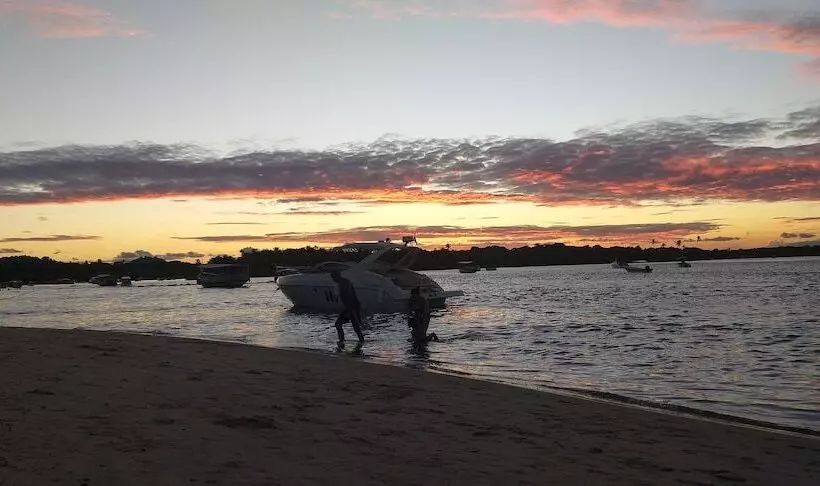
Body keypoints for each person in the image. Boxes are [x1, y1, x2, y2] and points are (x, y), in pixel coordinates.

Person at [330, 270, 365, 346]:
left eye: (333, 277)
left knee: (338, 324)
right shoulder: (345, 282)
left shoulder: (343, 285)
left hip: (352, 308)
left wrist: (351, 312)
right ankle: (361, 341)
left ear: (336, 276)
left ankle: (342, 341)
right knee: (356, 327)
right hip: (353, 307)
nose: (332, 279)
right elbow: (353, 295)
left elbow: (349, 298)